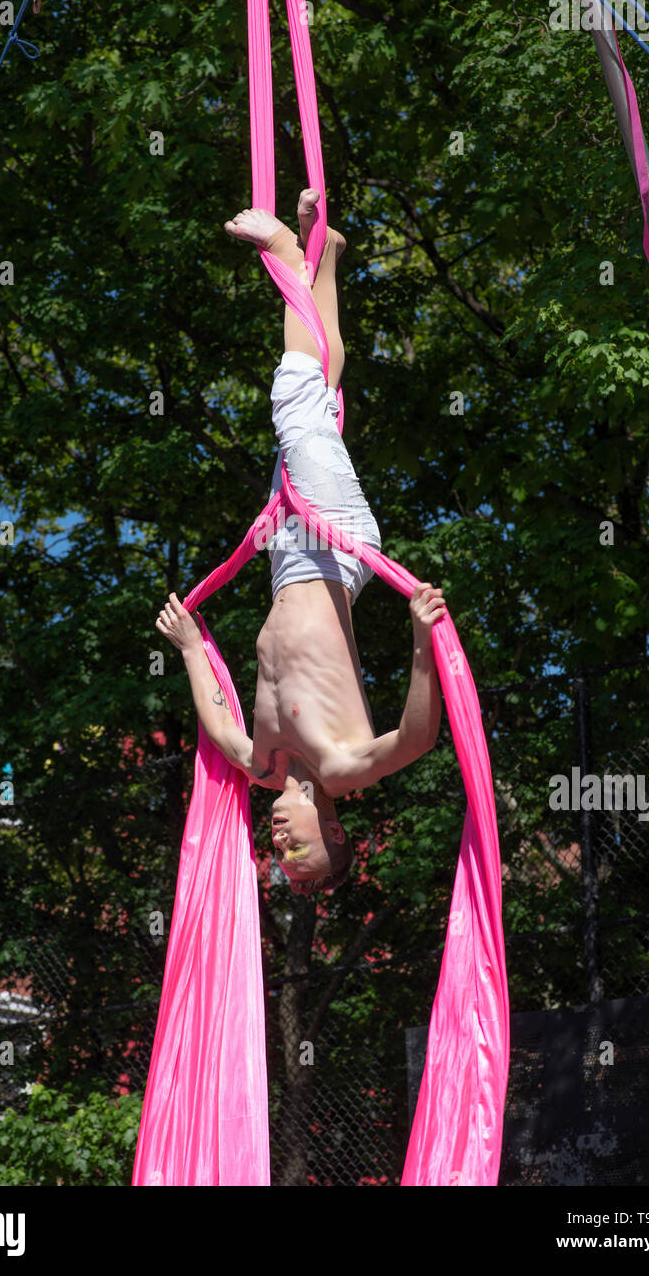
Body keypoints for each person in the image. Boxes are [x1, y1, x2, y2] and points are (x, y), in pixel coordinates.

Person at [157, 190, 447, 893]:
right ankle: (290, 253)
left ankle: (327, 261)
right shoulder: (342, 765)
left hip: (289, 553)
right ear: (337, 832)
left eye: (277, 861)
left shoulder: (264, 764)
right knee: (294, 396)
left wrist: (194, 649)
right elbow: (416, 739)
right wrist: (421, 642)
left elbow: (220, 726)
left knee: (314, 395)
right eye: (300, 856)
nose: (279, 848)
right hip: (337, 543)